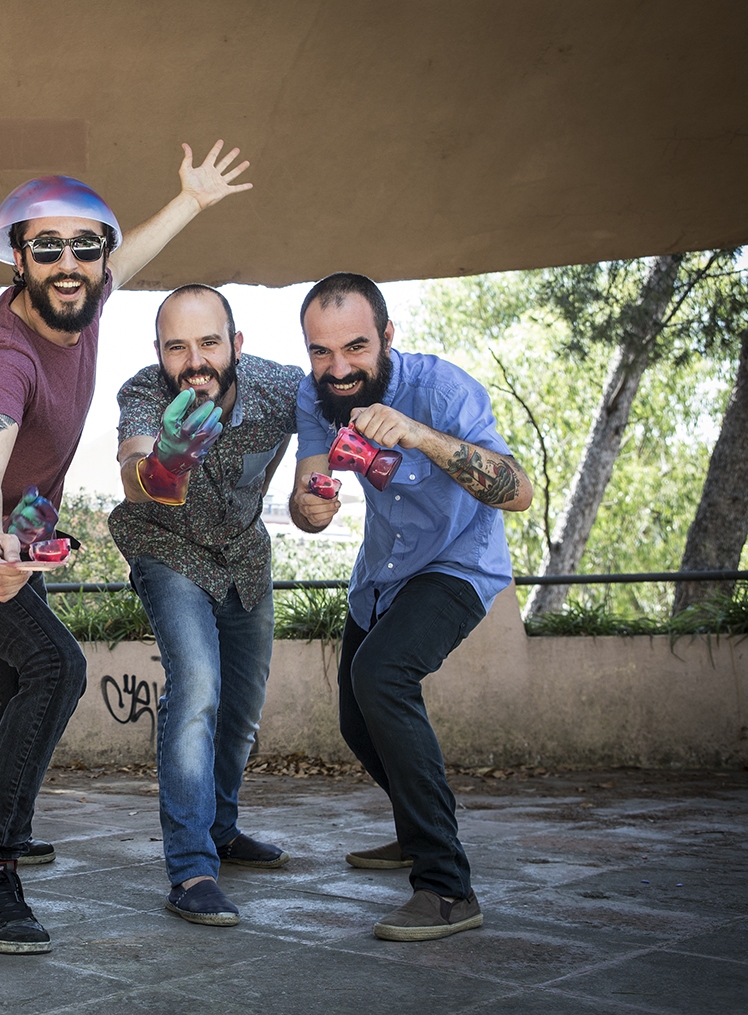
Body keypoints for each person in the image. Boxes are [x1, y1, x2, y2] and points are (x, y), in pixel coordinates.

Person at [0, 141, 256, 954]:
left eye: (84, 248)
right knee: (55, 667)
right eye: (48, 248)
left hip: (18, 536)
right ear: (18, 259)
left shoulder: (84, 299)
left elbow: (125, 257)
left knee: (20, 684)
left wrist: (191, 201)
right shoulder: (1, 355)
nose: (69, 264)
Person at [288, 272, 533, 942]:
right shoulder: (318, 396)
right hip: (381, 573)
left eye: (355, 348)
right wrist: (308, 508)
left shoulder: (443, 390)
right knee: (355, 717)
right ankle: (419, 825)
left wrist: (420, 435)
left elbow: (517, 492)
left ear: (387, 337)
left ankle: (447, 886)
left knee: (382, 676)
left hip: (457, 564)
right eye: (320, 351)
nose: (339, 369)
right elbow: (308, 491)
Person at [109, 284, 302, 927]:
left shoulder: (279, 388)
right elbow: (134, 474)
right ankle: (192, 868)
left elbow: (337, 406)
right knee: (196, 686)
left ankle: (220, 828)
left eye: (209, 343)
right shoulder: (145, 392)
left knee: (242, 704)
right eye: (177, 348)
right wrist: (164, 460)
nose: (194, 362)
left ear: (236, 344)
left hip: (243, 554)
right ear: (159, 352)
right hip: (166, 549)